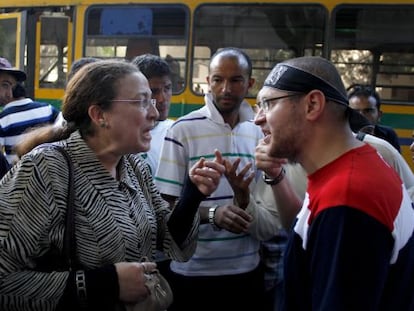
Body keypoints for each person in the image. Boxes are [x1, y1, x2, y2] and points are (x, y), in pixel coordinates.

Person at [0, 59, 226, 311]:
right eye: (141, 102)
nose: (154, 112)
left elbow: (167, 238)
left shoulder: (132, 166)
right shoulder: (46, 169)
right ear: (99, 115)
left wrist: (192, 194)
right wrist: (106, 283)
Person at [255, 56, 414, 310]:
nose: (258, 119)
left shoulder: (347, 199)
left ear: (313, 105)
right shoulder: (347, 170)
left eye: (268, 103)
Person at [155, 47, 280, 311]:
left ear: (250, 84)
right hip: (192, 273)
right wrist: (213, 214)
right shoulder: (182, 131)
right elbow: (164, 211)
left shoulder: (258, 132)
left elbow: (265, 204)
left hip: (247, 270)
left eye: (235, 80)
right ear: (207, 83)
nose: (226, 89)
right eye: (218, 80)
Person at [131, 54, 175, 175]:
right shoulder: (123, 135)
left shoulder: (176, 132)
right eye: (154, 91)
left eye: (167, 88)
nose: (162, 99)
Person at [0, 82, 60, 164]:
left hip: (17, 171)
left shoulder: (3, 118)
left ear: (8, 94)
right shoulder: (48, 109)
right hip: (49, 166)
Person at [348, 84, 401, 152]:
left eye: (368, 111)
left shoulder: (389, 135)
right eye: (356, 111)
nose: (361, 116)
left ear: (379, 115)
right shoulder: (341, 136)